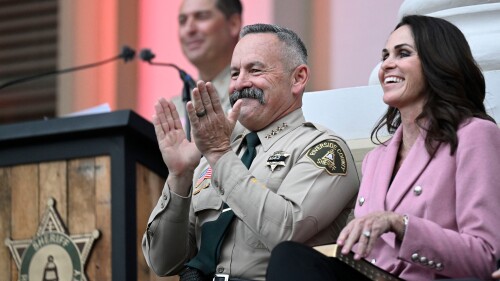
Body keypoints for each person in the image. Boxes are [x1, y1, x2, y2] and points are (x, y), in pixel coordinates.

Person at [266, 15, 500, 281]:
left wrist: (401, 225)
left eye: (403, 54)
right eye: (385, 55)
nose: (387, 64)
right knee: (290, 257)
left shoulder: (475, 135)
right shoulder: (376, 159)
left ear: (439, 62)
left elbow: (484, 256)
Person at [142, 23, 360, 281]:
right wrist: (179, 175)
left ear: (298, 78)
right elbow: (163, 262)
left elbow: (285, 233)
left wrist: (221, 156)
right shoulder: (216, 154)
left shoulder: (321, 149)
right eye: (234, 74)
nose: (240, 84)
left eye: (255, 70)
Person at [172, 0, 243, 127]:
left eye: (202, 17)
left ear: (233, 24)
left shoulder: (252, 92)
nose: (189, 29)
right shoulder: (174, 110)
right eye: (183, 21)